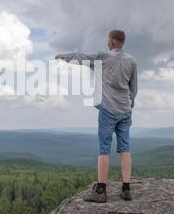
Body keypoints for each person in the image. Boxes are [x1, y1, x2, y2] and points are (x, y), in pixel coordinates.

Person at [55, 29, 138, 202]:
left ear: (112, 42)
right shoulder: (131, 61)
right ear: (122, 42)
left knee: (104, 149)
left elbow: (81, 56)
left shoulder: (103, 57)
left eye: (108, 40)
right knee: (125, 148)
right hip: (125, 110)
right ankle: (126, 189)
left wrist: (64, 56)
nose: (107, 43)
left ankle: (100, 191)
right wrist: (131, 103)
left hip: (108, 110)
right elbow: (134, 88)